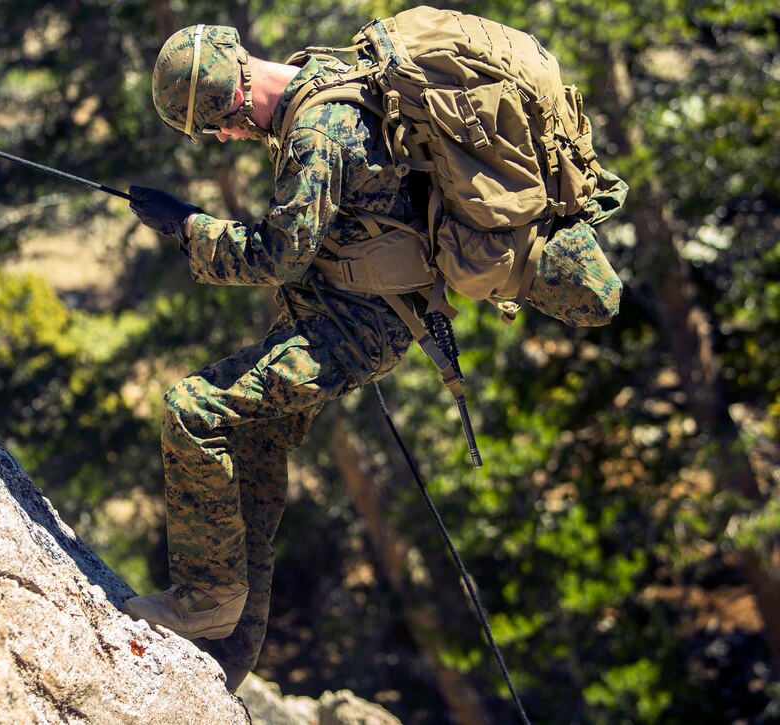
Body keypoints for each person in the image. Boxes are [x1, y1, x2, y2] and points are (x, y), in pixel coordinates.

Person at [121, 21, 625, 692]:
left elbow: (278, 254)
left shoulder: (314, 131)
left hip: (358, 325)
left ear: (235, 104)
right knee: (256, 442)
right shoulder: (327, 73)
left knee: (194, 409)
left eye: (221, 126)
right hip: (359, 312)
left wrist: (188, 229)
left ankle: (205, 597)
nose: (228, 138)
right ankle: (229, 648)